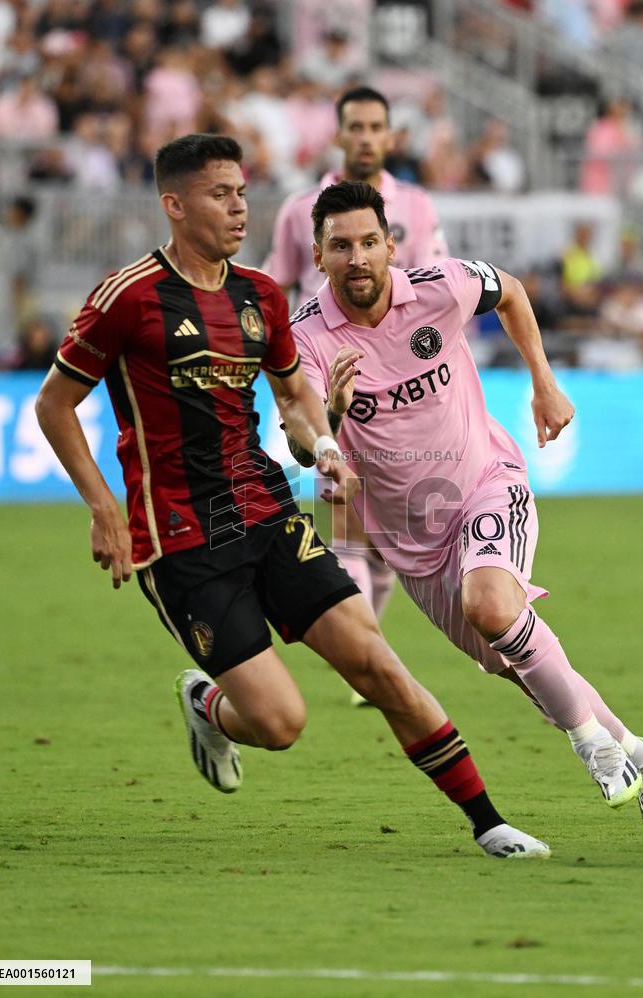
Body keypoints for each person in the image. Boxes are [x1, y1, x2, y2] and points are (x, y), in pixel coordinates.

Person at [35, 133, 550, 861]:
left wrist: (327, 446)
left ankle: (488, 823)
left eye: (242, 192)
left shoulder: (260, 296)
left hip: (265, 510)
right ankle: (208, 703)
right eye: (220, 194)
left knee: (376, 663)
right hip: (182, 539)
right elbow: (53, 405)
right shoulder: (128, 298)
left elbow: (294, 401)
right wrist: (102, 508)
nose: (238, 208)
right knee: (280, 724)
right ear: (174, 205)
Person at [287, 180, 643, 827]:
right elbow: (301, 441)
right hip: (411, 542)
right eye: (341, 246)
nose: (356, 258)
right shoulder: (305, 335)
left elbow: (511, 291)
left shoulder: (441, 287)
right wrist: (331, 417)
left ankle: (591, 745)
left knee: (493, 607)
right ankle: (640, 755)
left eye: (368, 242)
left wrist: (542, 382)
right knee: (522, 667)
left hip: (484, 483)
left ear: (390, 245)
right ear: (318, 255)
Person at [264, 86, 448, 695]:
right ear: (339, 135)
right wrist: (284, 368)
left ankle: (369, 652)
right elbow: (276, 287)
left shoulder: (416, 206)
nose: (366, 137)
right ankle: (370, 662)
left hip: (404, 385)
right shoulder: (298, 210)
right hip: (326, 373)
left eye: (376, 127)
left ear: (391, 136)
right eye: (356, 127)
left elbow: (433, 287)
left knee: (390, 536)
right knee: (342, 513)